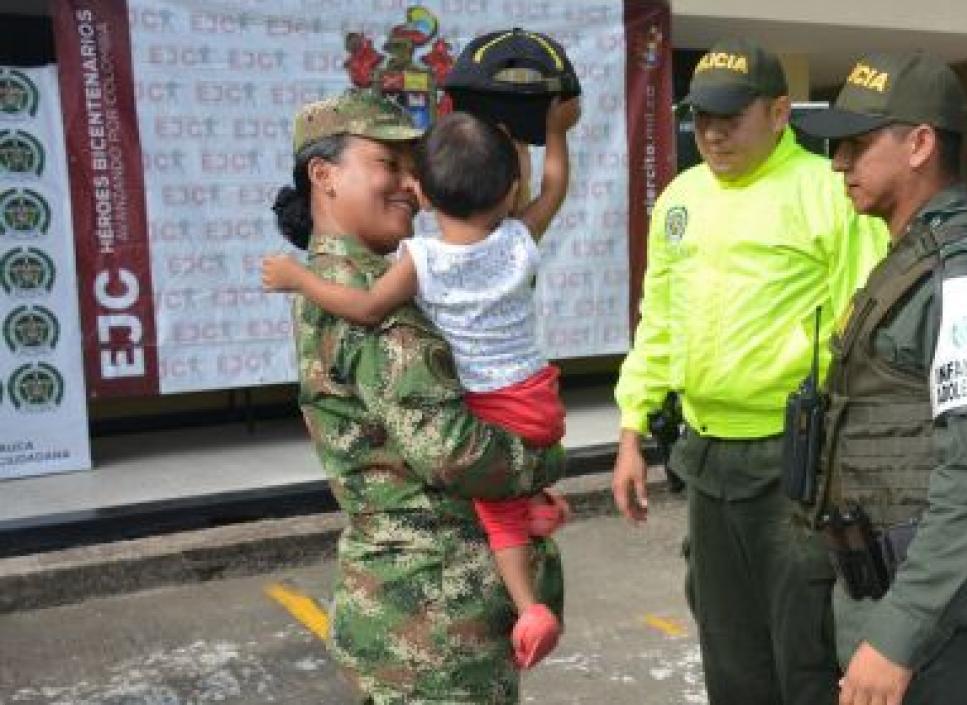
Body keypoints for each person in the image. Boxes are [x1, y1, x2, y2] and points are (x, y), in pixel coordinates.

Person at [611, 38, 890, 705]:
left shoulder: (827, 192)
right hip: (706, 459)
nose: (712, 133)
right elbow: (660, 319)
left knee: (805, 648)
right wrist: (630, 429)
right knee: (728, 646)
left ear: (779, 112)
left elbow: (870, 329)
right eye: (702, 117)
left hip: (797, 461)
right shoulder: (681, 198)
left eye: (731, 117)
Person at [270, 89, 566, 704]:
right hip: (435, 621)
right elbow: (453, 453)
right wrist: (544, 459)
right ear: (324, 176)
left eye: (415, 168)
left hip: (414, 609)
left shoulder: (344, 282)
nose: (411, 184)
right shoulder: (372, 301)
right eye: (389, 164)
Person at [795, 51, 967, 705]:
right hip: (879, 601)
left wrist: (898, 637)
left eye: (856, 144)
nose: (838, 163)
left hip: (930, 634)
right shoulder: (908, 261)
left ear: (920, 144)